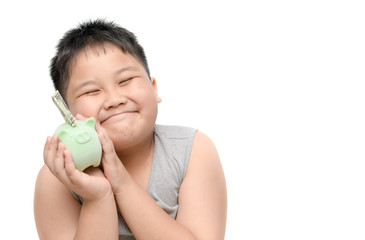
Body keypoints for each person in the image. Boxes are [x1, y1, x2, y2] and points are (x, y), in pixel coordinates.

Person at [34, 19, 227, 240]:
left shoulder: (192, 150)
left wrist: (122, 183)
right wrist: (98, 196)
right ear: (67, 114)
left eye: (125, 80)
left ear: (154, 89)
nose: (114, 100)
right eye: (91, 91)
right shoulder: (57, 177)